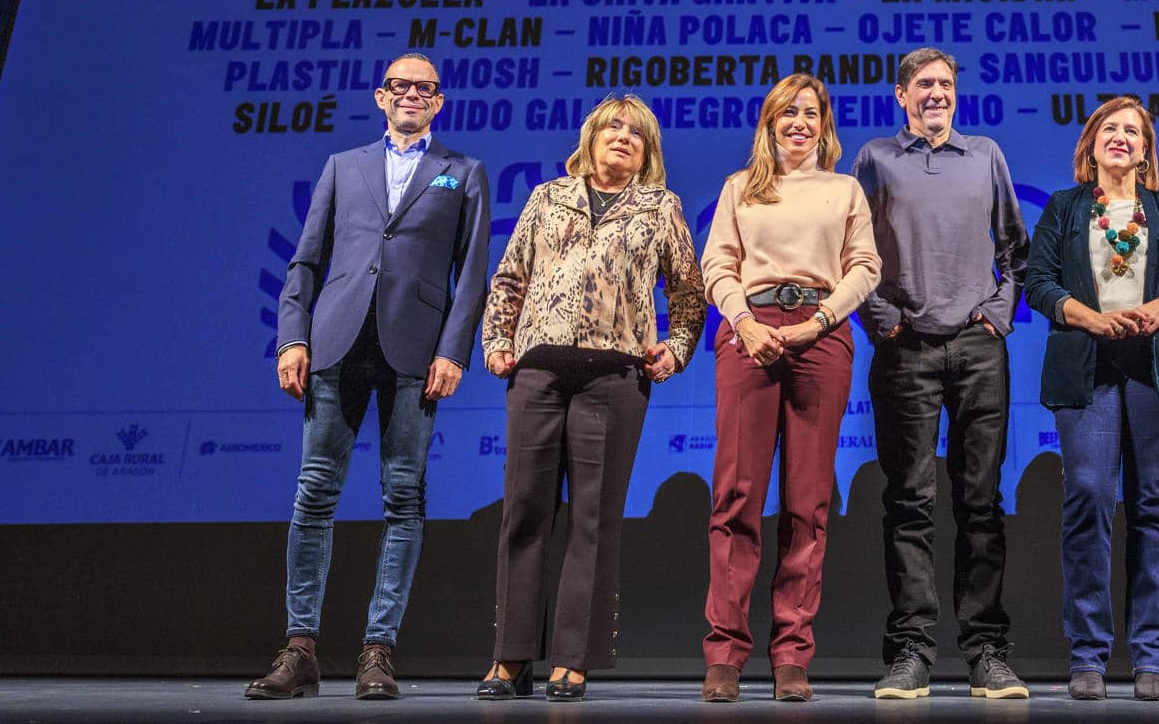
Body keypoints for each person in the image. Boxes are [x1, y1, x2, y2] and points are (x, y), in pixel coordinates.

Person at [246, 52, 491, 701]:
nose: (412, 94)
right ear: (381, 96)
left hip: (417, 351)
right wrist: (292, 336)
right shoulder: (342, 166)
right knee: (314, 493)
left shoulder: (463, 171)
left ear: (439, 101)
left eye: (424, 88)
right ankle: (300, 650)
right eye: (399, 86)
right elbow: (305, 261)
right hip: (336, 340)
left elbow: (471, 275)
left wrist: (454, 351)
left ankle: (378, 651)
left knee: (403, 498)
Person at [475, 95, 706, 702]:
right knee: (524, 509)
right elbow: (510, 276)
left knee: (593, 517)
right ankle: (511, 657)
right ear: (591, 136)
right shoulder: (547, 197)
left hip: (615, 377)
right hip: (538, 371)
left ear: (648, 151)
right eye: (613, 127)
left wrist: (677, 348)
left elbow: (689, 291)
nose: (623, 137)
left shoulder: (660, 206)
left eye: (637, 133)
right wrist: (497, 340)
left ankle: (571, 659)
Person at [849, 47, 1030, 700]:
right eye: (924, 84)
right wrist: (881, 319)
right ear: (901, 95)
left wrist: (999, 313)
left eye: (946, 84)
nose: (937, 93)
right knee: (909, 502)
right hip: (906, 352)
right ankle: (911, 653)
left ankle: (986, 653)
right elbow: (851, 251)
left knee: (981, 502)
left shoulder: (985, 155)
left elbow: (1015, 248)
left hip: (979, 349)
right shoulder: (875, 159)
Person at [1024, 94, 1159, 702]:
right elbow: (1037, 282)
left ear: (1145, 149)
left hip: (1158, 370)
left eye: (1133, 131)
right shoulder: (1065, 207)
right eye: (1110, 128)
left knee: (1153, 506)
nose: (1121, 137)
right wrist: (1089, 318)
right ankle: (1088, 654)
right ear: (1091, 143)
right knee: (1089, 497)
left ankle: (1151, 657)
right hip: (1087, 368)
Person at [699, 73, 881, 703]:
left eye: (811, 112)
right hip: (748, 332)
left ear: (824, 123)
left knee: (808, 502)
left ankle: (792, 656)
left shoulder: (844, 189)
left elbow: (866, 266)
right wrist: (744, 323)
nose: (800, 123)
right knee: (736, 497)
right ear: (770, 123)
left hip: (821, 334)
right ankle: (725, 654)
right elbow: (717, 265)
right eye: (788, 112)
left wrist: (819, 321)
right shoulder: (740, 188)